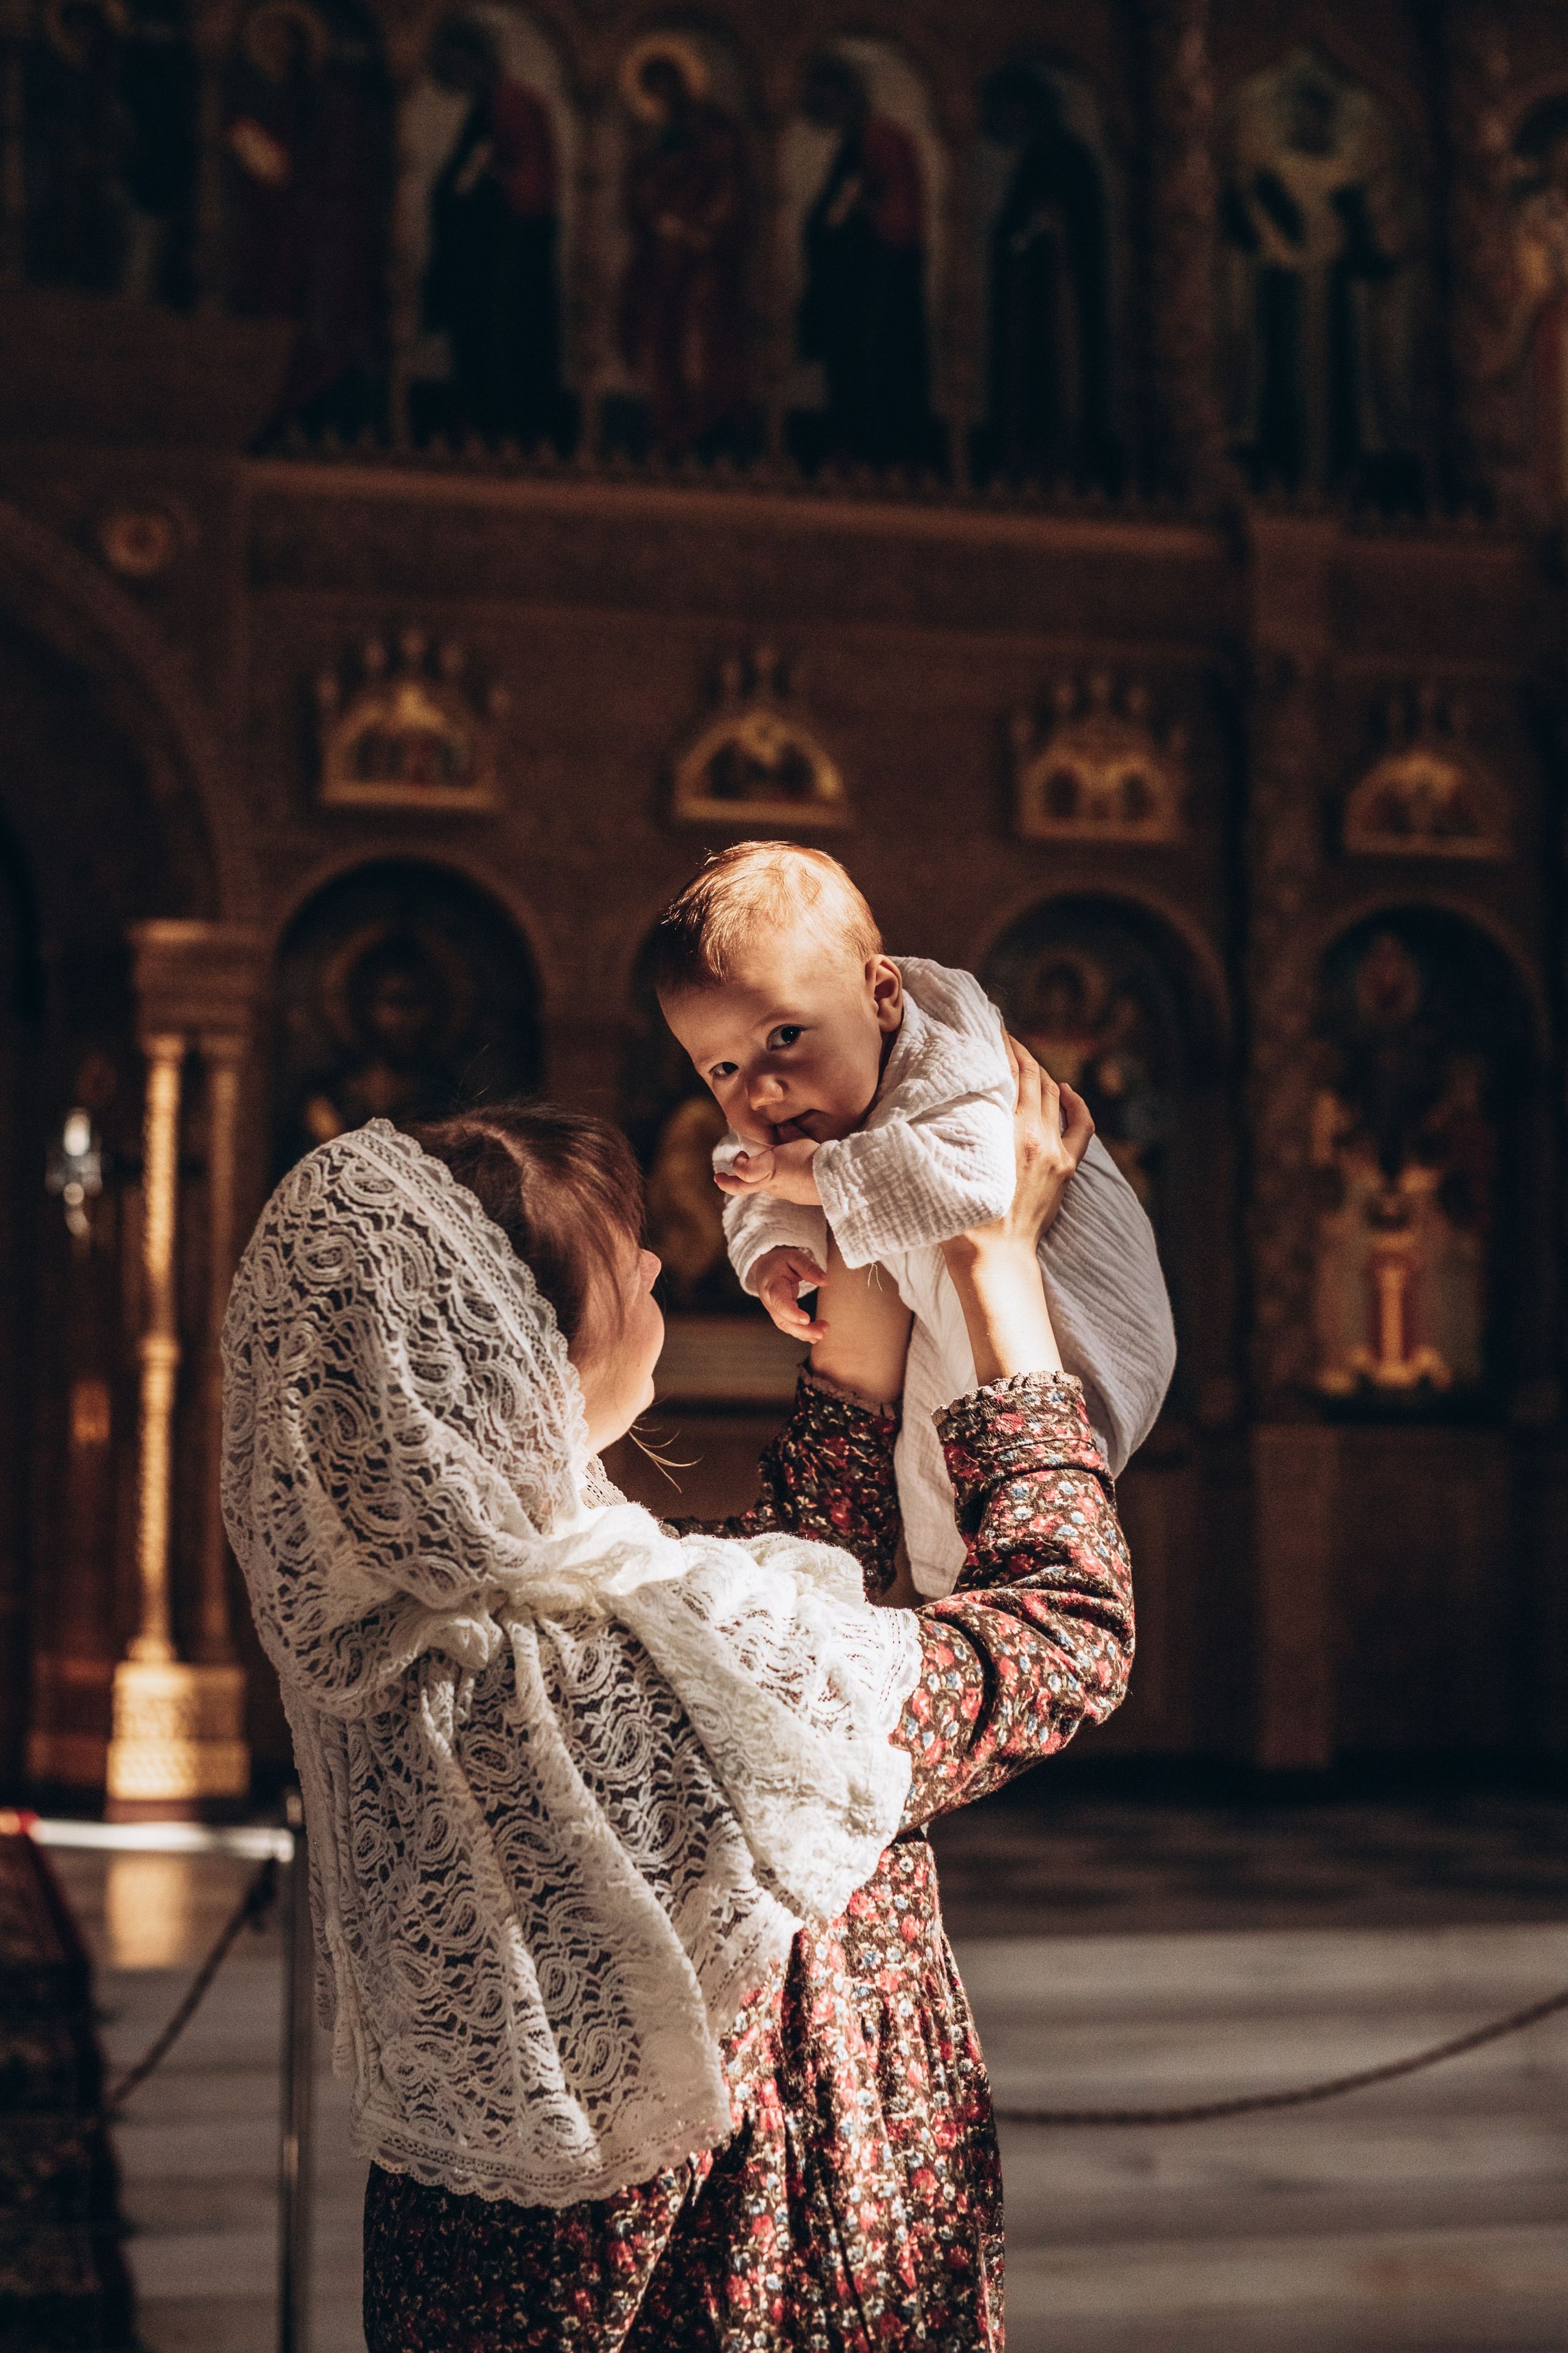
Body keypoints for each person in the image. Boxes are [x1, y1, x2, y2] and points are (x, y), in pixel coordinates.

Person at [222, 1067, 1134, 2350]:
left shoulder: (410, 1638)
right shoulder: (629, 1659)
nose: (658, 1268)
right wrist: (995, 1273)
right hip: (756, 2279)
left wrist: (858, 1333)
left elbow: (752, 1681)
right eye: (619, 1261)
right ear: (511, 1355)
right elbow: (1062, 1637)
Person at [654, 840, 1175, 1597]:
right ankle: (957, 1579)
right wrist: (768, 1251)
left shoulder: (951, 1051)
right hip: (971, 1306)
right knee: (935, 1449)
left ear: (883, 995)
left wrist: (811, 1177)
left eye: (785, 1037)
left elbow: (972, 1182)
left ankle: (985, 1562)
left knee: (966, 1432)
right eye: (722, 1069)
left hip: (1083, 1326)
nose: (761, 1089)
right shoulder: (813, 1106)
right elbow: (755, 1188)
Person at [423, 14, 562, 447]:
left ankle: (501, 421)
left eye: (458, 64)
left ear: (476, 59)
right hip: (485, 241)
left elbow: (523, 174)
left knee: (502, 329)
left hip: (509, 241)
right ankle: (480, 417)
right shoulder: (487, 102)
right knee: (478, 328)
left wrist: (488, 183)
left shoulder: (511, 100)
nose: (455, 75)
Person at [797, 53, 931, 469]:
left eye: (828, 99)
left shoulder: (880, 138)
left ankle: (878, 451)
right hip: (853, 279)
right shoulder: (857, 140)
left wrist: (854, 218)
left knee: (878, 363)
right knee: (849, 362)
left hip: (878, 279)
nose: (825, 110)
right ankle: (853, 444)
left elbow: (890, 210)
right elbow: (837, 210)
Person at [616, 43, 750, 456]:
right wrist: (659, 219)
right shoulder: (655, 138)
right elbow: (640, 192)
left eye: (668, 84)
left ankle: (707, 428)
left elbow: (732, 188)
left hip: (706, 260)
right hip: (662, 260)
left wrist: (703, 229)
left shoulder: (718, 132)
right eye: (654, 88)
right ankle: (668, 427)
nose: (663, 95)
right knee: (661, 342)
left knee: (703, 343)